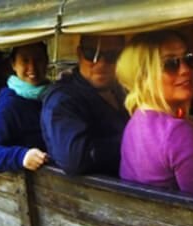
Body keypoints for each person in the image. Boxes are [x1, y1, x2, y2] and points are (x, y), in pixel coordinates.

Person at [116, 30, 193, 199]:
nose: (186, 70)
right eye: (170, 64)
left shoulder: (136, 122)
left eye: (189, 59)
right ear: (143, 76)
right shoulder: (177, 132)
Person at [42, 35, 130, 176]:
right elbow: (75, 159)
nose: (101, 63)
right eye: (91, 54)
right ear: (79, 54)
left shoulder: (123, 90)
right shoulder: (63, 99)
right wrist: (136, 141)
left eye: (112, 55)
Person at [0, 42, 50, 173]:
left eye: (38, 59)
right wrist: (21, 156)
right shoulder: (10, 105)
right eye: (25, 60)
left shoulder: (53, 95)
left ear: (46, 61)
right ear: (13, 64)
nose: (32, 67)